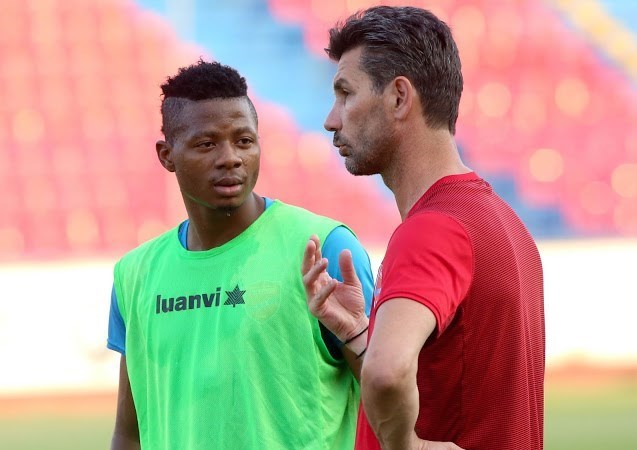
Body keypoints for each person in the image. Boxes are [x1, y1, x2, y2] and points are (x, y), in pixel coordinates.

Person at [302, 6, 545, 450]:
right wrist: (359, 334)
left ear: (399, 98)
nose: (331, 119)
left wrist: (409, 448)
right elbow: (448, 384)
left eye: (345, 94)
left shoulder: (432, 229)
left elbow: (387, 374)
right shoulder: (504, 222)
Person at [106, 59, 375, 449]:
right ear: (167, 155)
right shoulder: (135, 275)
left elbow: (391, 396)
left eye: (244, 141)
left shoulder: (324, 248)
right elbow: (129, 434)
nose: (230, 157)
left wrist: (360, 337)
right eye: (207, 144)